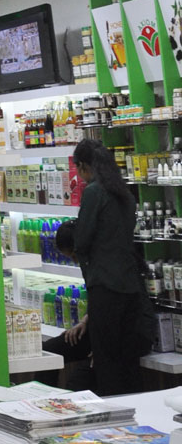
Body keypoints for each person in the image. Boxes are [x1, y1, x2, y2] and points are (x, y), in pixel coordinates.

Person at [71, 138, 150, 395]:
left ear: (84, 166)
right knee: (128, 361)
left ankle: (113, 413)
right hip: (130, 286)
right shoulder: (124, 192)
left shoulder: (94, 192)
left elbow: (82, 240)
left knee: (107, 361)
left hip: (105, 287)